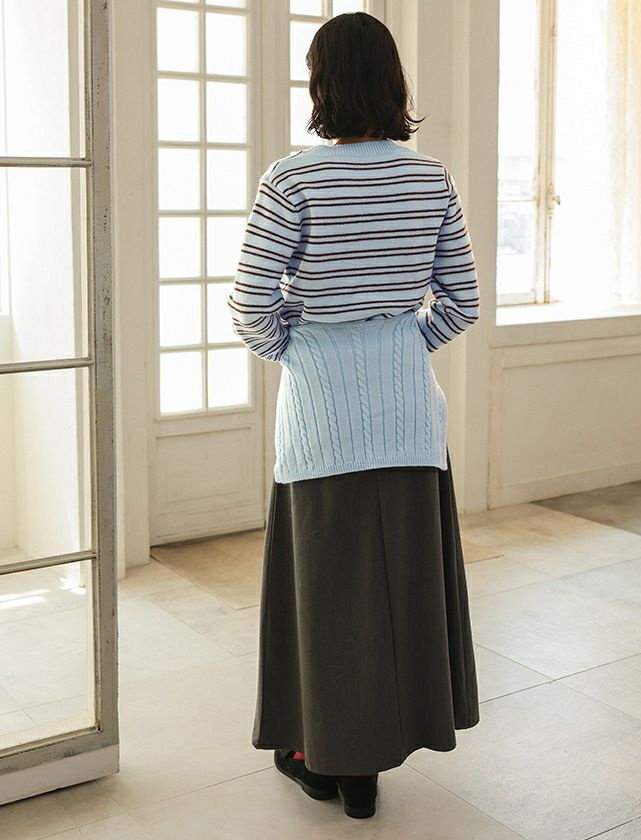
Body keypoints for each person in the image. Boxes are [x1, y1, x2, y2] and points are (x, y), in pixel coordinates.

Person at [227, 11, 480, 821]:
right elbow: (462, 301)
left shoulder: (292, 181)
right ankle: (374, 768)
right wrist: (399, 345)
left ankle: (324, 760)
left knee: (325, 598)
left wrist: (302, 350)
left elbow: (250, 306)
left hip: (321, 423)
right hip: (410, 422)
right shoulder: (430, 179)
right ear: (393, 81)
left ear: (322, 83)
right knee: (402, 596)